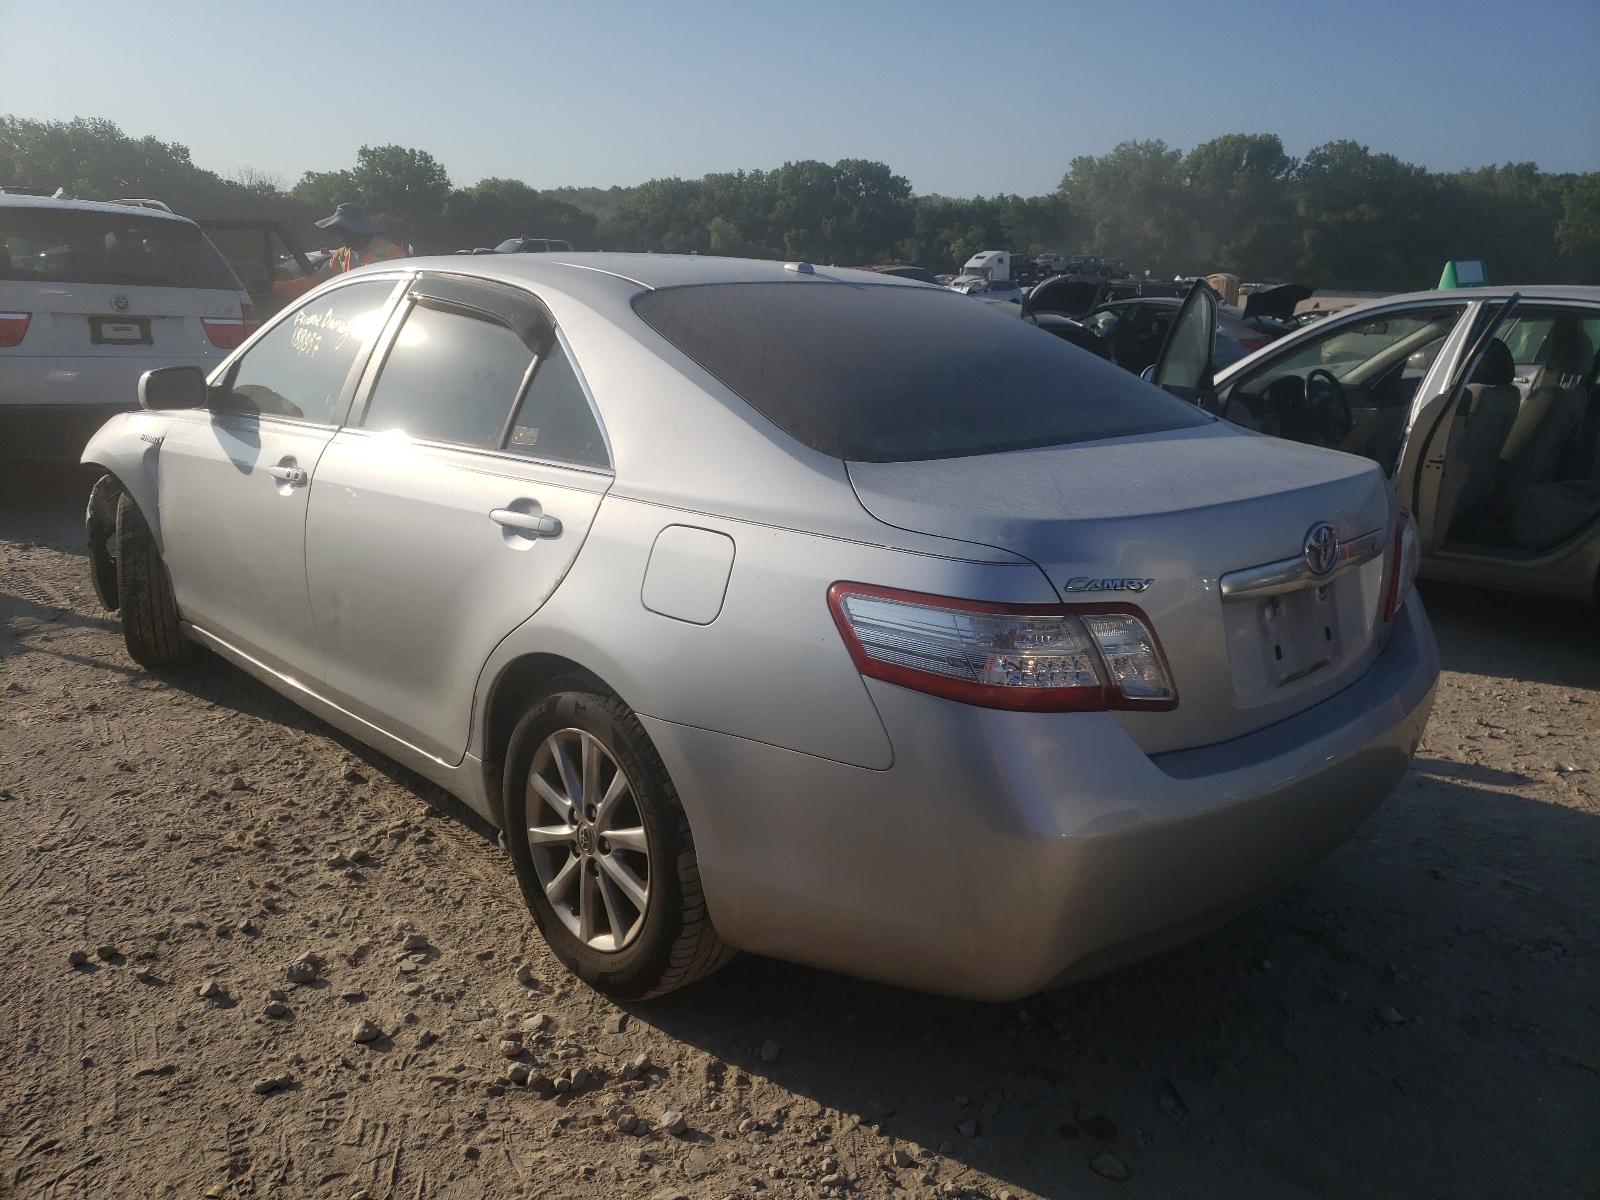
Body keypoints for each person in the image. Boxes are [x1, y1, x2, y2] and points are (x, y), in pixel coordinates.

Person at [316, 203, 407, 275]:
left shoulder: (391, 254)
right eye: (339, 232)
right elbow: (320, 280)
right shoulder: (342, 254)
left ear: (359, 229)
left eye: (344, 232)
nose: (340, 237)